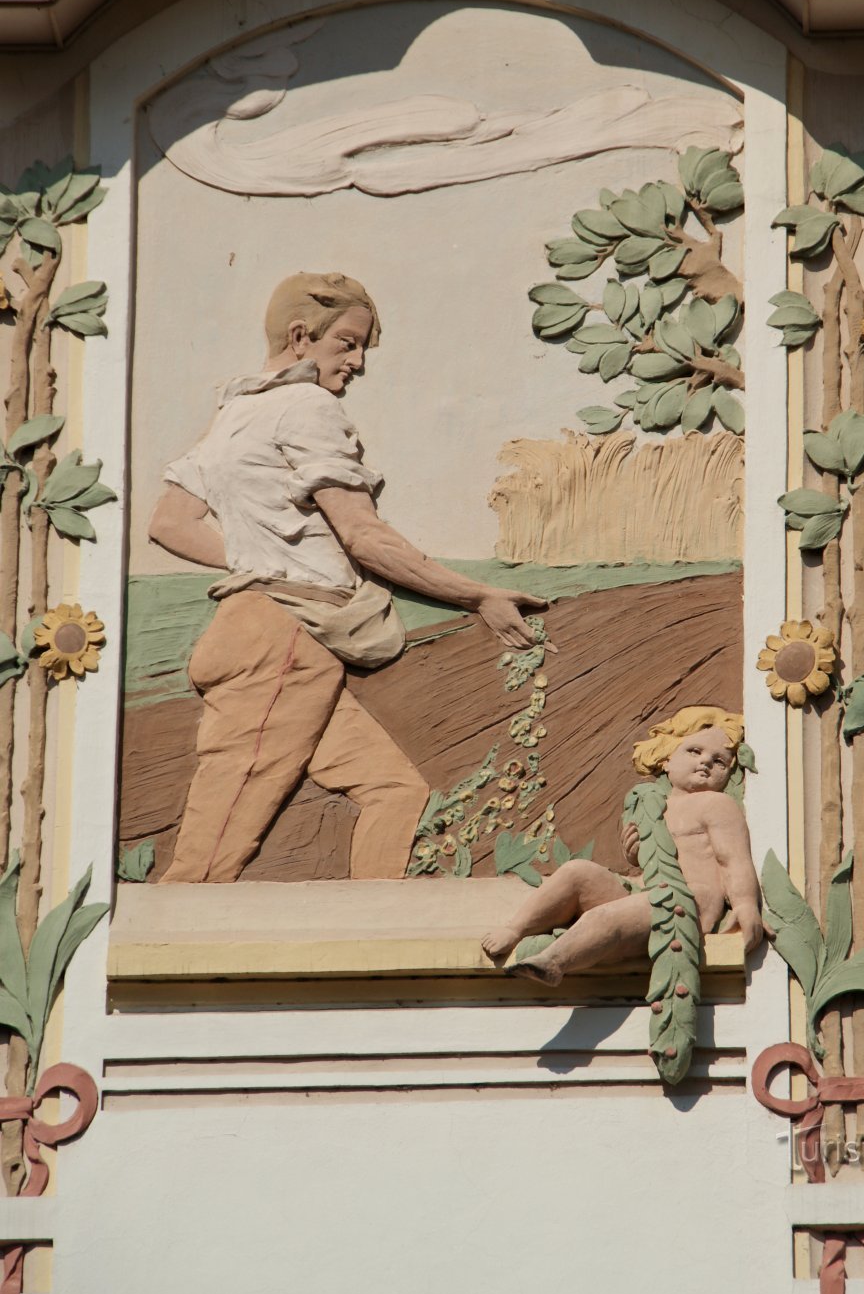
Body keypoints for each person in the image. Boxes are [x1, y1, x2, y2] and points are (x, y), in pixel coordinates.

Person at [149, 270, 546, 883]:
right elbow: (363, 535)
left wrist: (257, 562)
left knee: (394, 790)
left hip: (279, 640)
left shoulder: (234, 412)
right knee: (212, 851)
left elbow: (171, 523)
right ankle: (165, 956)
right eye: (349, 344)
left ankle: (373, 926)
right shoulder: (307, 406)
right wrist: (478, 594)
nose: (358, 362)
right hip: (279, 649)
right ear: (302, 335)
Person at [480, 706, 763, 983]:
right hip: (646, 892)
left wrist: (746, 904)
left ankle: (554, 961)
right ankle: (515, 929)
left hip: (690, 899)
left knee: (604, 917)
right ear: (666, 758)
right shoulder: (653, 806)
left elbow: (733, 860)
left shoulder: (717, 804)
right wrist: (636, 854)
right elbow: (658, 859)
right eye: (695, 751)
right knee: (576, 871)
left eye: (719, 761)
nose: (706, 763)